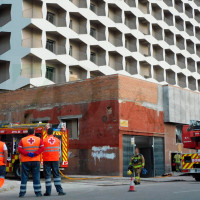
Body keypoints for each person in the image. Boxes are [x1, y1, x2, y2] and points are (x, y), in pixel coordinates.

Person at [18, 128, 44, 197]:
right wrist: (35, 153)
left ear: (28, 132)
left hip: (25, 161)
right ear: (34, 132)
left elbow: (19, 149)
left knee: (24, 177)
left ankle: (22, 193)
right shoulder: (39, 139)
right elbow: (42, 148)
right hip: (36, 161)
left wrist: (27, 153)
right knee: (36, 177)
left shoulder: (23, 140)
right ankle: (38, 193)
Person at [43, 128, 66, 196]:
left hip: (47, 160)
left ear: (47, 133)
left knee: (47, 176)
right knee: (56, 175)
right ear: (53, 133)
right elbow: (59, 149)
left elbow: (41, 150)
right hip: (55, 159)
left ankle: (48, 192)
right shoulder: (57, 140)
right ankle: (60, 191)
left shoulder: (44, 140)